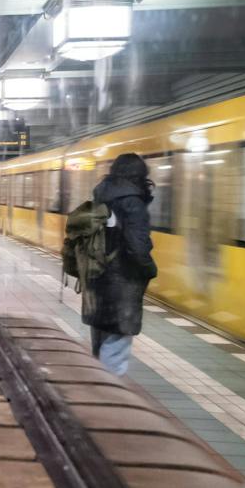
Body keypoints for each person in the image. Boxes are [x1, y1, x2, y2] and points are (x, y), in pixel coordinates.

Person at [86, 152, 158, 376]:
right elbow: (138, 247)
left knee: (100, 343)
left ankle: (98, 393)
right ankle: (108, 400)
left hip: (97, 279)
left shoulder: (101, 195)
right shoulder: (133, 203)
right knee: (116, 349)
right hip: (123, 285)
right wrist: (149, 270)